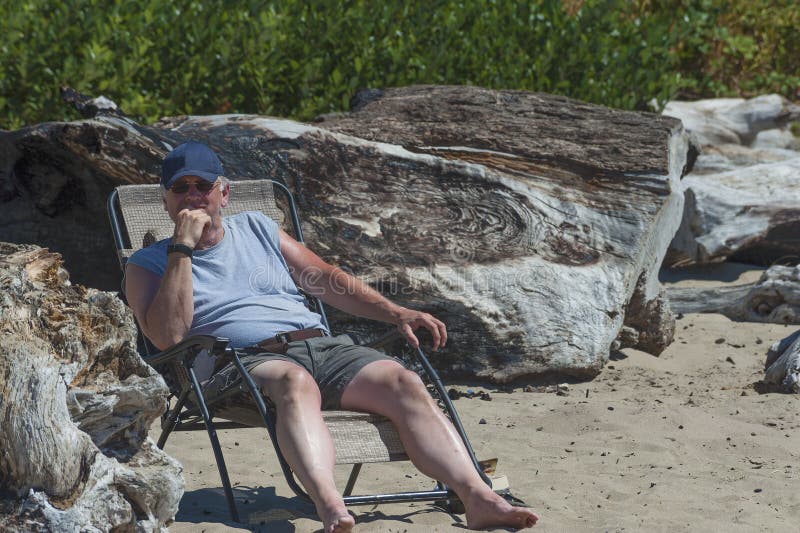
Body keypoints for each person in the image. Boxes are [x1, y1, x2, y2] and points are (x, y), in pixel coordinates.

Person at [125, 141, 538, 532]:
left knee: (403, 380)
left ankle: (477, 496)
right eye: (181, 188)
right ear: (166, 200)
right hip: (236, 364)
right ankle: (330, 504)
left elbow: (326, 280)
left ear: (225, 194)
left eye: (204, 186)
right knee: (294, 381)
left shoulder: (256, 228)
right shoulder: (147, 263)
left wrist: (396, 312)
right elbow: (167, 337)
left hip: (319, 346)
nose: (194, 196)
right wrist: (181, 249)